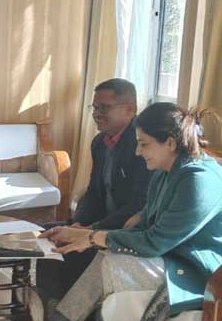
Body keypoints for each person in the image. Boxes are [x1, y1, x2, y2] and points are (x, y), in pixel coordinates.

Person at [17, 102, 222, 321]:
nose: (138, 152)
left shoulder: (199, 180)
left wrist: (93, 238)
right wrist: (85, 232)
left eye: (144, 144)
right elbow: (145, 221)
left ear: (170, 143)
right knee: (108, 255)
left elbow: (155, 241)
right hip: (170, 256)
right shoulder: (167, 171)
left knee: (115, 262)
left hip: (199, 273)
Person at [36, 78, 152, 302]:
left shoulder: (142, 146)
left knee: (69, 247)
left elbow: (139, 204)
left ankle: (63, 309)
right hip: (98, 223)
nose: (96, 114)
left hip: (125, 230)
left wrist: (90, 230)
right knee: (48, 234)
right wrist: (78, 223)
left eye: (104, 108)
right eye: (95, 107)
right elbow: (94, 192)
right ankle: (46, 304)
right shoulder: (99, 142)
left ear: (130, 109)